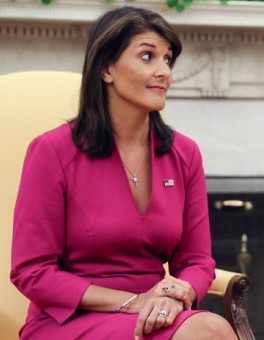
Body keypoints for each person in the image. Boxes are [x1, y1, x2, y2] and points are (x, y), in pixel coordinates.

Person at [10, 6, 237, 340]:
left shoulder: (184, 154)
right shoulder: (52, 151)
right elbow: (32, 272)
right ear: (106, 69)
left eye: (168, 59)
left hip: (155, 316)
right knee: (210, 331)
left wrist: (179, 293)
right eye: (147, 56)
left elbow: (197, 259)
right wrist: (131, 302)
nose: (164, 72)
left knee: (209, 329)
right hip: (69, 321)